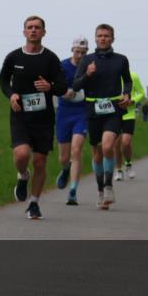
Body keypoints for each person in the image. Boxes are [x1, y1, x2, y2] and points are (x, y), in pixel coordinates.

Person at [0, 16, 68, 220]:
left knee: (39, 161)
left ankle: (34, 203)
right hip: (20, 115)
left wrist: (50, 87)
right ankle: (23, 176)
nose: (34, 30)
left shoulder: (51, 59)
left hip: (44, 118)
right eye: (30, 27)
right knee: (21, 155)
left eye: (38, 28)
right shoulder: (14, 57)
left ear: (44, 32)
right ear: (24, 32)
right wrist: (11, 94)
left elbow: (63, 87)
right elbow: (2, 79)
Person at [72, 24, 131, 209]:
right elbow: (76, 85)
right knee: (97, 153)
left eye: (107, 35)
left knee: (108, 146)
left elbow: (127, 80)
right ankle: (99, 190)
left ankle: (108, 186)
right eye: (100, 36)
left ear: (113, 39)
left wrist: (127, 94)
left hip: (113, 109)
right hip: (93, 109)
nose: (103, 38)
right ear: (95, 39)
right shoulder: (87, 60)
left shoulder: (121, 60)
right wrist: (88, 74)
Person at [54, 37, 90, 206]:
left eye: (83, 53)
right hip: (64, 113)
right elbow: (54, 85)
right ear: (72, 50)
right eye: (77, 52)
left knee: (77, 150)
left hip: (82, 112)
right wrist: (63, 92)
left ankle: (73, 191)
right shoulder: (62, 66)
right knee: (64, 156)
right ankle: (65, 169)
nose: (80, 55)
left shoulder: (90, 67)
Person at [114, 70, 145, 180]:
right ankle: (118, 170)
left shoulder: (133, 76)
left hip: (129, 114)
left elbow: (141, 93)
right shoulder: (111, 75)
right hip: (114, 114)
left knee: (126, 142)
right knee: (116, 144)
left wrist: (132, 100)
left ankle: (128, 164)